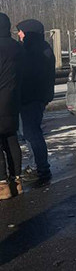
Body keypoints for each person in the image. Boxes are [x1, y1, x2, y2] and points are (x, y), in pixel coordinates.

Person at [16, 19, 54, 186]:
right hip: (35, 97)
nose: (19, 34)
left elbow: (29, 76)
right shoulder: (42, 49)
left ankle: (40, 168)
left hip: (30, 98)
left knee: (31, 134)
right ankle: (39, 167)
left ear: (29, 32)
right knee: (30, 133)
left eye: (21, 31)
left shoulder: (34, 52)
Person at [0, 12, 24, 199]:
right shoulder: (17, 47)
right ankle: (17, 181)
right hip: (14, 100)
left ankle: (2, 185)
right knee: (11, 139)